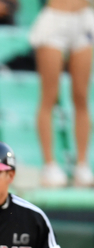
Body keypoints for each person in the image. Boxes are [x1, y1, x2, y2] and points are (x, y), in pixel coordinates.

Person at [30, 0, 94, 187]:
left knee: (81, 96)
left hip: (83, 19)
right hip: (55, 19)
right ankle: (49, 163)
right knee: (49, 95)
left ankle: (82, 164)